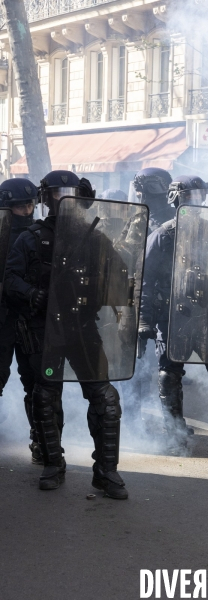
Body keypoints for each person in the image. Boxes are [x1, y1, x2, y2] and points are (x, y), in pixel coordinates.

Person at [5, 171, 129, 498]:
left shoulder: (94, 237)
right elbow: (11, 280)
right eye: (59, 193)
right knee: (45, 396)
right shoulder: (31, 238)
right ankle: (52, 462)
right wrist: (34, 295)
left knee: (106, 399)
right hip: (47, 333)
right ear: (46, 198)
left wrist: (114, 292)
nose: (65, 198)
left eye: (71, 192)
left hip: (84, 330)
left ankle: (106, 472)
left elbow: (118, 278)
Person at [139, 174, 208, 461]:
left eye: (200, 198)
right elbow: (145, 281)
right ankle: (175, 436)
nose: (196, 204)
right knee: (169, 376)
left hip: (206, 315)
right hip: (172, 317)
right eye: (189, 198)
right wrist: (144, 320)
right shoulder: (163, 236)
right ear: (176, 200)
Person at [121, 169, 174, 433]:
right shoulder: (136, 217)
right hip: (137, 298)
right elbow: (124, 256)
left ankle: (173, 426)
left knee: (169, 365)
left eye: (142, 190)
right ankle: (131, 423)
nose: (139, 195)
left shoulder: (176, 220)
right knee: (133, 364)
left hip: (166, 299)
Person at [0, 178, 41, 462]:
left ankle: (42, 441)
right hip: (3, 317)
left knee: (37, 383)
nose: (26, 212)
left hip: (30, 317)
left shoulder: (41, 237)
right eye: (19, 207)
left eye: (30, 205)